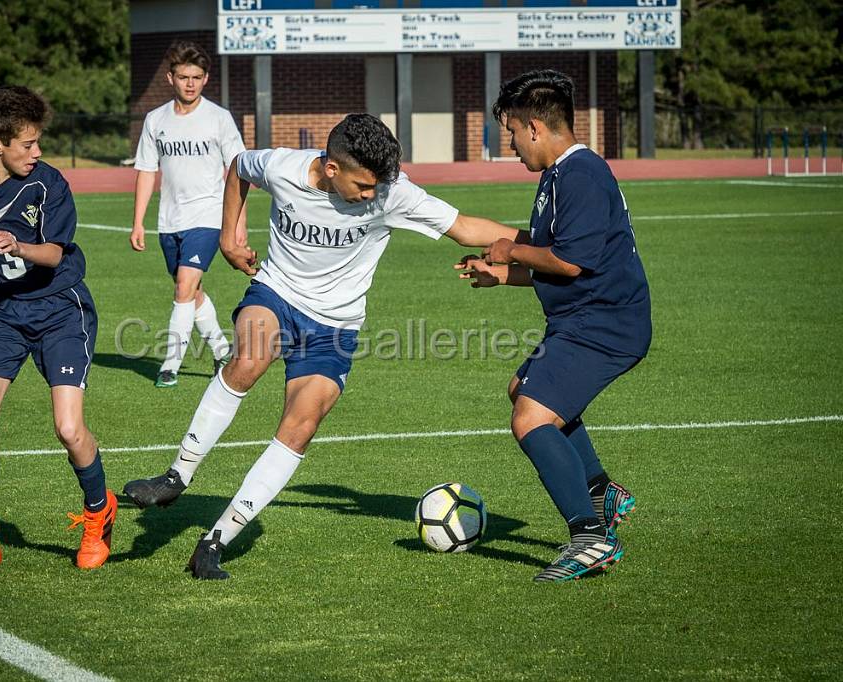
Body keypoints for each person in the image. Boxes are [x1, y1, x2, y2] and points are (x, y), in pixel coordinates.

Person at [124, 113, 513, 579]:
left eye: (376, 187)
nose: (371, 196)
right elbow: (239, 168)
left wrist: (540, 247)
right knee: (249, 359)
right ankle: (176, 477)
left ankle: (216, 540)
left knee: (300, 427)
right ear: (330, 168)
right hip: (277, 294)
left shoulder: (392, 192)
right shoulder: (284, 167)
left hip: (336, 327)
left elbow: (466, 228)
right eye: (363, 185)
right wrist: (230, 236)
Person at [457, 69, 651, 582]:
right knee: (523, 387)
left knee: (530, 418)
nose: (513, 146)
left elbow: (569, 262)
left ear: (536, 126)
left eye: (513, 133)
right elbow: (558, 260)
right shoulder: (558, 177)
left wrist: (509, 249)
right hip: (583, 318)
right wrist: (502, 273)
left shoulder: (581, 173)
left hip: (604, 323)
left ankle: (589, 540)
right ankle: (601, 491)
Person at [0, 86, 116, 576]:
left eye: (38, 143)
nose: (36, 153)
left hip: (60, 308)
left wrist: (17, 245)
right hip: (2, 312)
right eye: (27, 144)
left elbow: (55, 253)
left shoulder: (48, 184)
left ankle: (99, 511)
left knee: (67, 428)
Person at [130, 41, 245, 387]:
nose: (190, 83)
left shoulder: (219, 119)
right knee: (191, 292)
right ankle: (223, 351)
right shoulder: (155, 120)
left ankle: (170, 364)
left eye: (197, 77)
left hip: (208, 217)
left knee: (184, 287)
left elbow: (239, 170)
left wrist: (237, 224)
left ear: (206, 79)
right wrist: (138, 222)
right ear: (171, 78)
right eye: (184, 77)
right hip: (170, 221)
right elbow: (147, 171)